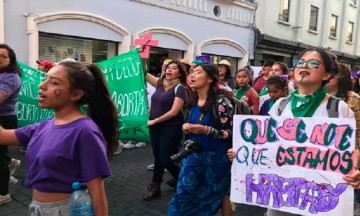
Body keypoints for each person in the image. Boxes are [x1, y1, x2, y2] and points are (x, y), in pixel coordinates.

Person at [0, 61, 118, 215]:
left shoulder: (85, 132)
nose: (42, 85)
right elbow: (2, 136)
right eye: (45, 79)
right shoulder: (44, 126)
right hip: (37, 209)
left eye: (54, 82)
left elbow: (97, 193)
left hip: (65, 210)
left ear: (76, 94)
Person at [267, 48, 354, 216]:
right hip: (282, 190)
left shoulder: (337, 109)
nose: (304, 66)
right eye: (300, 62)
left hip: (320, 194)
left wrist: (354, 169)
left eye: (314, 63)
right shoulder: (280, 105)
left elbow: (350, 150)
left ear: (327, 75)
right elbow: (267, 143)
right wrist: (245, 154)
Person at [168, 63, 234, 216]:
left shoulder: (221, 102)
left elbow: (231, 133)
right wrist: (186, 126)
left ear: (210, 78)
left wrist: (207, 130)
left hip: (216, 161)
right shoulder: (192, 100)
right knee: (182, 194)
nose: (192, 75)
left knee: (213, 197)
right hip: (194, 157)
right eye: (191, 72)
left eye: (197, 72)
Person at [143, 59, 188, 201]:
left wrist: (154, 120)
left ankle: (184, 180)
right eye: (168, 67)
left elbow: (174, 112)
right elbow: (144, 72)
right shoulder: (160, 83)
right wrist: (144, 57)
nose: (169, 70)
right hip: (156, 128)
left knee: (166, 159)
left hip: (171, 129)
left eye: (174, 68)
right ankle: (155, 187)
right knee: (157, 158)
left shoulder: (180, 88)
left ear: (180, 73)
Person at [0, 44, 22, 205]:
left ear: (11, 59)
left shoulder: (10, 77)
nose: (0, 58)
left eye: (3, 56)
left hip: (4, 119)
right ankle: (9, 163)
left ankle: (3, 193)